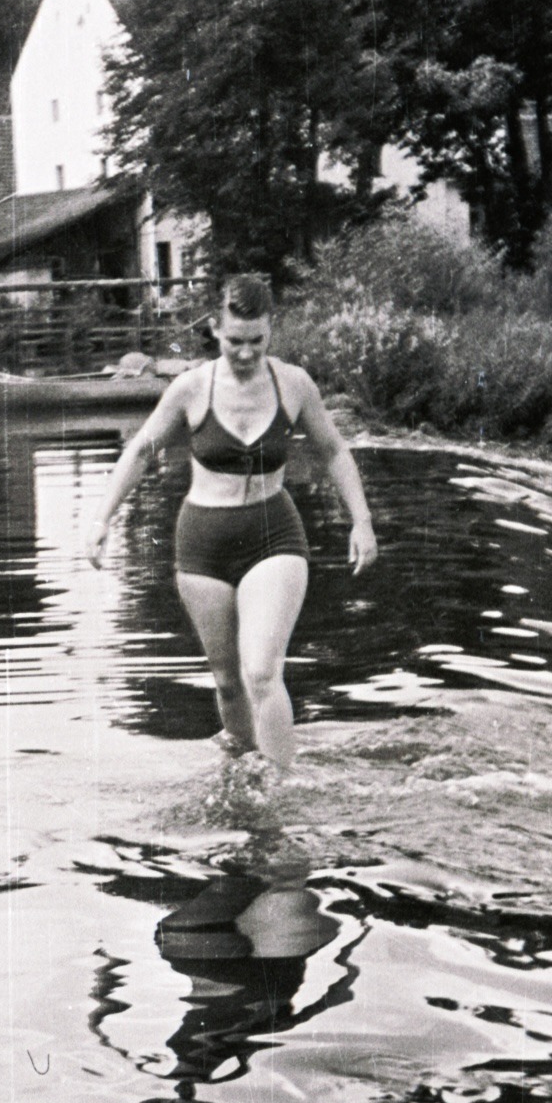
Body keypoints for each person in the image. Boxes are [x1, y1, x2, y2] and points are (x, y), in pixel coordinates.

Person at [85, 274, 377, 769]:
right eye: (234, 341)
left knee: (262, 671)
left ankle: (283, 790)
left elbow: (333, 451)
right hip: (203, 543)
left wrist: (362, 521)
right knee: (226, 679)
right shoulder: (191, 388)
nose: (245, 353)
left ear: (270, 332)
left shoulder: (294, 384)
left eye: (256, 341)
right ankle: (243, 768)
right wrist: (101, 518)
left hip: (274, 535)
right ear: (215, 332)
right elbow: (139, 453)